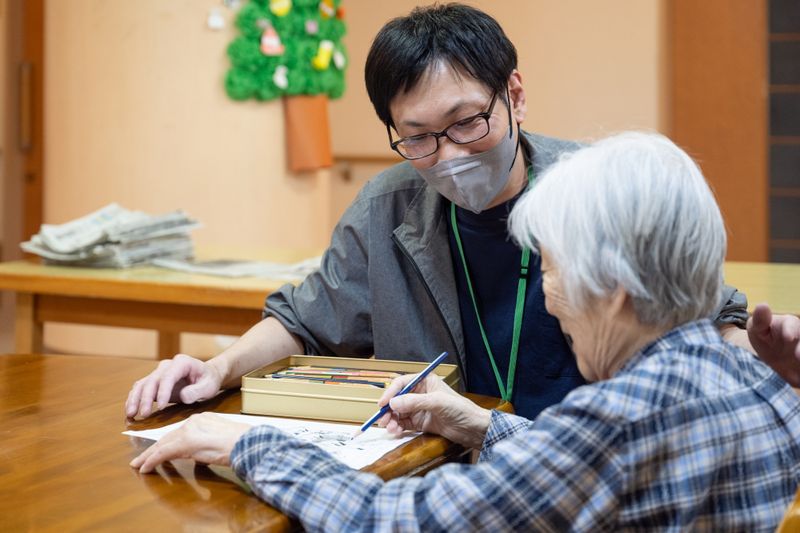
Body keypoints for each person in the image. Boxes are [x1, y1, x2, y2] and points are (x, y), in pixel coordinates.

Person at [125, 3, 800, 422]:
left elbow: (706, 319)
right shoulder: (387, 205)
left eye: (467, 122)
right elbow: (306, 320)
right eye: (417, 136)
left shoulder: (596, 191)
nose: (447, 155)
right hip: (446, 465)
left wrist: (771, 362)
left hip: (582, 463)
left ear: (515, 95)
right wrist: (217, 368)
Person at [131, 132, 800, 531]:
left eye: (554, 269)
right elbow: (595, 467)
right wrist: (478, 425)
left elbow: (394, 522)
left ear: (615, 288)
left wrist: (253, 444)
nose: (551, 299)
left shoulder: (618, 418)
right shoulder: (759, 383)